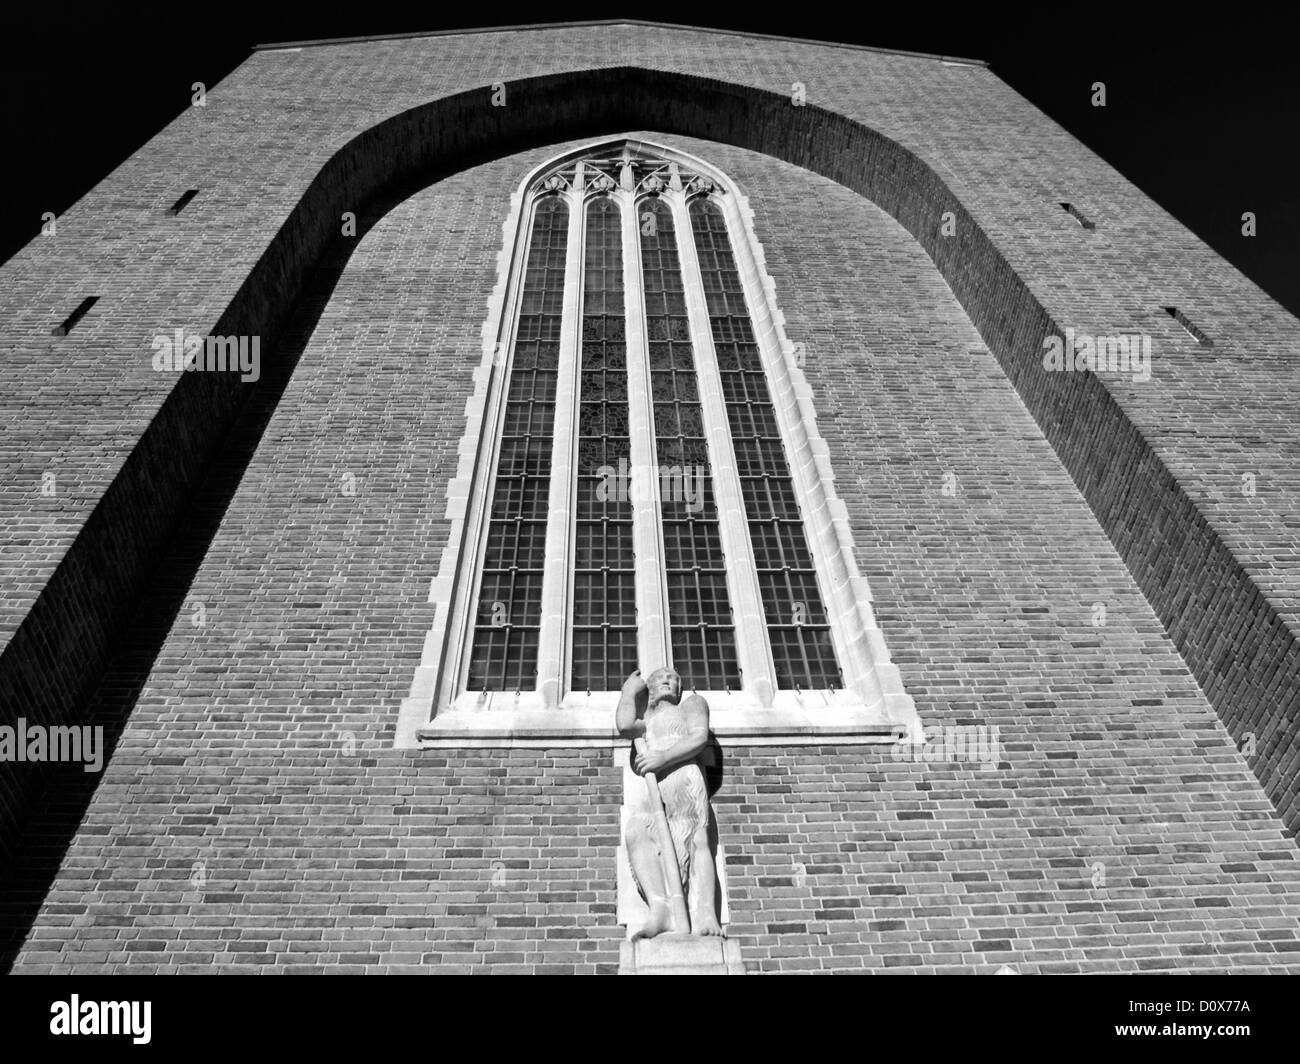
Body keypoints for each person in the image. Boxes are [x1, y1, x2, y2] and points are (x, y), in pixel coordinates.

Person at [616, 667, 721, 939]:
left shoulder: (691, 704)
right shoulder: (647, 718)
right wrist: (629, 692)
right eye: (661, 677)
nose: (668, 680)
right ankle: (660, 908)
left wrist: (662, 758)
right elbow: (625, 726)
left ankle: (706, 911)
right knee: (637, 832)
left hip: (685, 777)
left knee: (698, 842)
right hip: (656, 788)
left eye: (674, 677)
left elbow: (698, 738)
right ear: (650, 687)